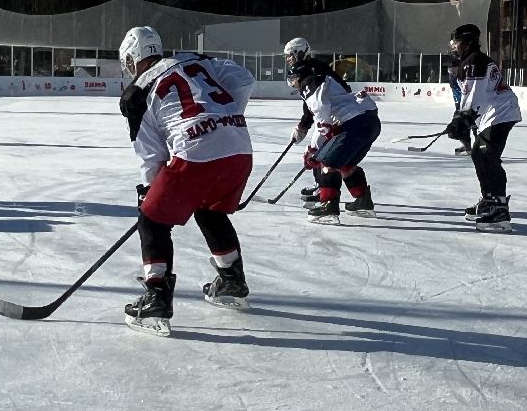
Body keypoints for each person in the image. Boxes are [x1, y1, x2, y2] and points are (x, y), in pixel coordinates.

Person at [118, 25, 256, 337]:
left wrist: (148, 195)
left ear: (132, 59)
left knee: (152, 220)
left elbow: (150, 155)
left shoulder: (137, 93)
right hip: (239, 149)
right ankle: (231, 280)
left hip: (196, 153)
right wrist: (222, 118)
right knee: (209, 208)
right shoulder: (196, 60)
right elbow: (244, 78)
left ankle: (156, 296)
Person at [281, 37, 380, 223]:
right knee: (345, 163)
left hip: (353, 123)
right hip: (369, 121)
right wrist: (305, 126)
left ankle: (328, 205)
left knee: (326, 161)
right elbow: (316, 106)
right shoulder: (316, 71)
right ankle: (362, 202)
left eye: (293, 79)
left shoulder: (309, 75)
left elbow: (319, 108)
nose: (292, 83)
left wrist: (318, 141)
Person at [447, 23, 521, 233]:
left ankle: (499, 208)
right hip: (490, 114)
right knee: (479, 156)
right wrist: (459, 119)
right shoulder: (468, 62)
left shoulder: (475, 61)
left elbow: (475, 95)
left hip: (501, 111)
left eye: (458, 42)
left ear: (468, 42)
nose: (455, 47)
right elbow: (467, 98)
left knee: (487, 155)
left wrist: (464, 118)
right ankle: (489, 199)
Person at [282, 37, 350, 203]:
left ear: (299, 52)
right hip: (332, 113)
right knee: (317, 150)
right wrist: (303, 126)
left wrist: (303, 126)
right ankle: (321, 184)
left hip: (335, 114)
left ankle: (324, 188)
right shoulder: (311, 67)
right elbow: (312, 104)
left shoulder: (310, 69)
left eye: (290, 55)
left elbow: (316, 104)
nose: (288, 59)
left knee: (317, 151)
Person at [446, 57, 472, 154]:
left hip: (470, 104)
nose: (452, 72)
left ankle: (477, 148)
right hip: (460, 104)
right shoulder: (452, 78)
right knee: (458, 125)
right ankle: (466, 145)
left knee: (471, 125)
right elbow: (456, 92)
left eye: (454, 69)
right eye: (450, 70)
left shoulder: (466, 76)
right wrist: (458, 107)